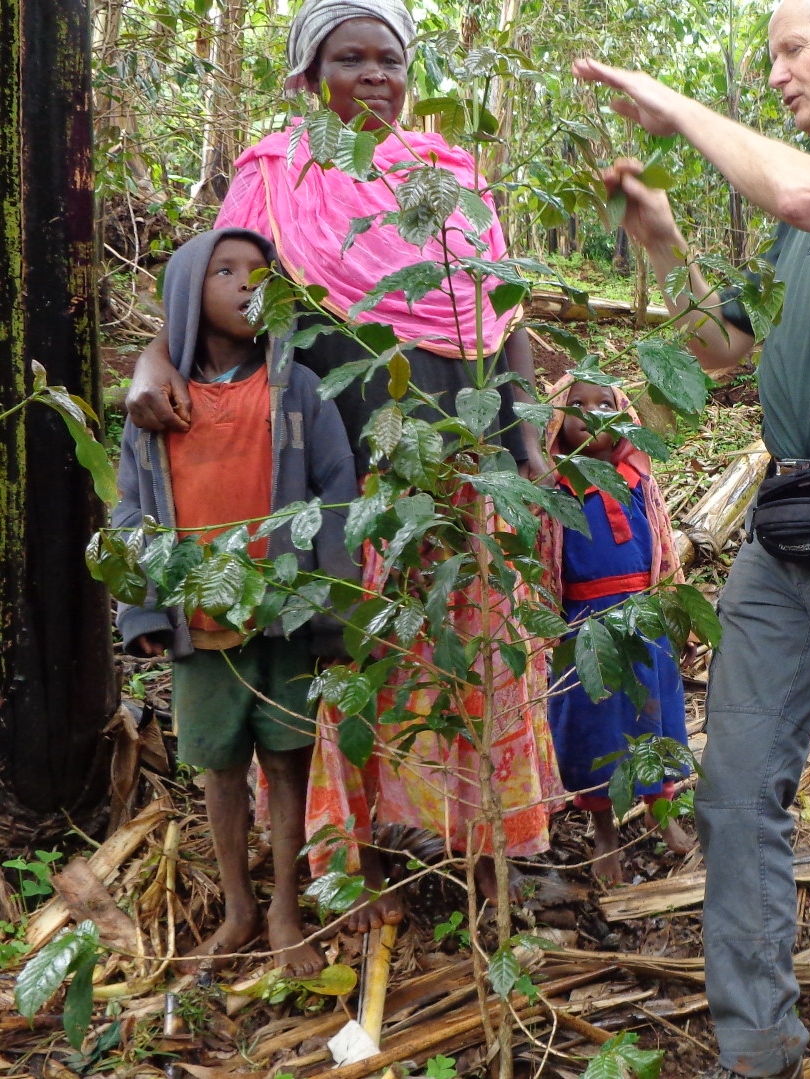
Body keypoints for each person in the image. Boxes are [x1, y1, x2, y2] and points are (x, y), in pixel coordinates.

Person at [574, 1, 810, 1076]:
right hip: (786, 528)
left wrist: (671, 104)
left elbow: (792, 182)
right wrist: (661, 238)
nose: (776, 74)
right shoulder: (804, 223)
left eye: (790, 49)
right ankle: (756, 1045)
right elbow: (721, 346)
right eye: (768, 57)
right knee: (734, 789)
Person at [125, 0, 561, 928]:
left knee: (466, 648)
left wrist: (524, 441)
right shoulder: (275, 173)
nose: (373, 75)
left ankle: (485, 859)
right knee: (350, 651)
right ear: (305, 75)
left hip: (458, 458)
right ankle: (349, 860)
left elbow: (505, 317)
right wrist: (148, 363)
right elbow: (210, 291)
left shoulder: (447, 175)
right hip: (333, 472)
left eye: (389, 59)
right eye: (348, 57)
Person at [114, 228, 358, 976]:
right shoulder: (157, 404)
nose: (247, 284)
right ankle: (238, 908)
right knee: (220, 769)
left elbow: (336, 493)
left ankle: (285, 906)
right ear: (189, 291)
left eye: (260, 272)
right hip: (204, 624)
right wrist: (146, 610)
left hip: (281, 613)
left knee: (287, 761)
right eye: (225, 271)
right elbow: (133, 512)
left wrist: (332, 609)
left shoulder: (297, 389)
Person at [545, 375, 691, 883]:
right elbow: (544, 566)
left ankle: (660, 810)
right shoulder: (555, 491)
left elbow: (664, 550)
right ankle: (603, 832)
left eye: (604, 404)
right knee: (595, 724)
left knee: (655, 715)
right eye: (577, 405)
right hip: (584, 625)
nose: (592, 413)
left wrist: (676, 614)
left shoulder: (638, 480)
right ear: (557, 422)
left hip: (645, 617)